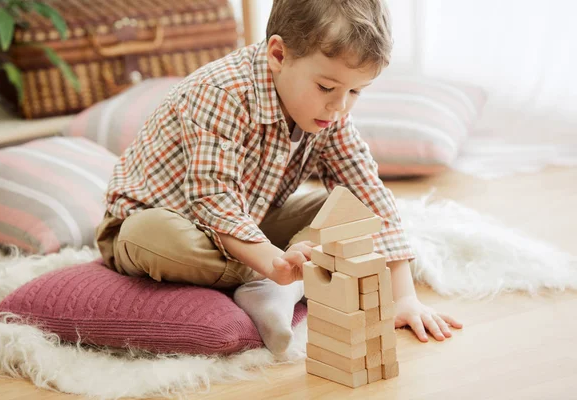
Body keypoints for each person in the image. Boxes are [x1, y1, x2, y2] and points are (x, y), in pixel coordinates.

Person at [96, 0, 462, 355]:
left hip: (251, 220)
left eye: (355, 92)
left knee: (353, 211)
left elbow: (366, 189)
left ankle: (283, 279)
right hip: (165, 223)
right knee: (153, 236)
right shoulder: (220, 93)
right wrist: (272, 263)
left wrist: (404, 298)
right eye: (327, 88)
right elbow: (213, 201)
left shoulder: (329, 111)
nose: (339, 106)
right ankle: (276, 280)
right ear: (278, 55)